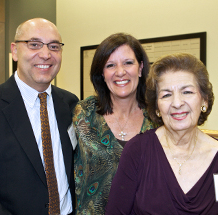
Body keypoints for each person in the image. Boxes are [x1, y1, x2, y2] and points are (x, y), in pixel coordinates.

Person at [0, 18, 78, 215]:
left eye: (54, 46)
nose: (45, 54)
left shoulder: (70, 104)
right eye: (34, 44)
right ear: (15, 51)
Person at [106, 53, 218, 214]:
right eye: (166, 95)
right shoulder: (137, 151)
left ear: (204, 100)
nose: (177, 103)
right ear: (157, 107)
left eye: (187, 92)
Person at [73, 33, 156, 214]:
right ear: (102, 73)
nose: (120, 72)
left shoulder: (157, 118)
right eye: (110, 65)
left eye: (128, 63)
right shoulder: (83, 113)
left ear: (141, 68)